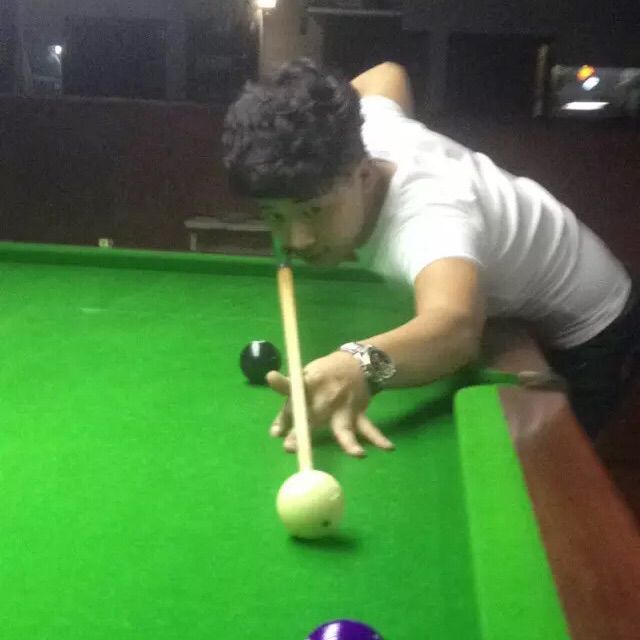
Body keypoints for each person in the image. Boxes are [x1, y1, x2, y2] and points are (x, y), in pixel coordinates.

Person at [222, 58, 639, 455]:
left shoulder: (429, 216)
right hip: (532, 295)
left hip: (596, 328)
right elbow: (387, 74)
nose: (296, 238)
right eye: (275, 215)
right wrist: (322, 122)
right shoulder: (363, 131)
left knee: (557, 481)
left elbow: (456, 329)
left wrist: (360, 364)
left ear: (363, 175)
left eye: (314, 210)